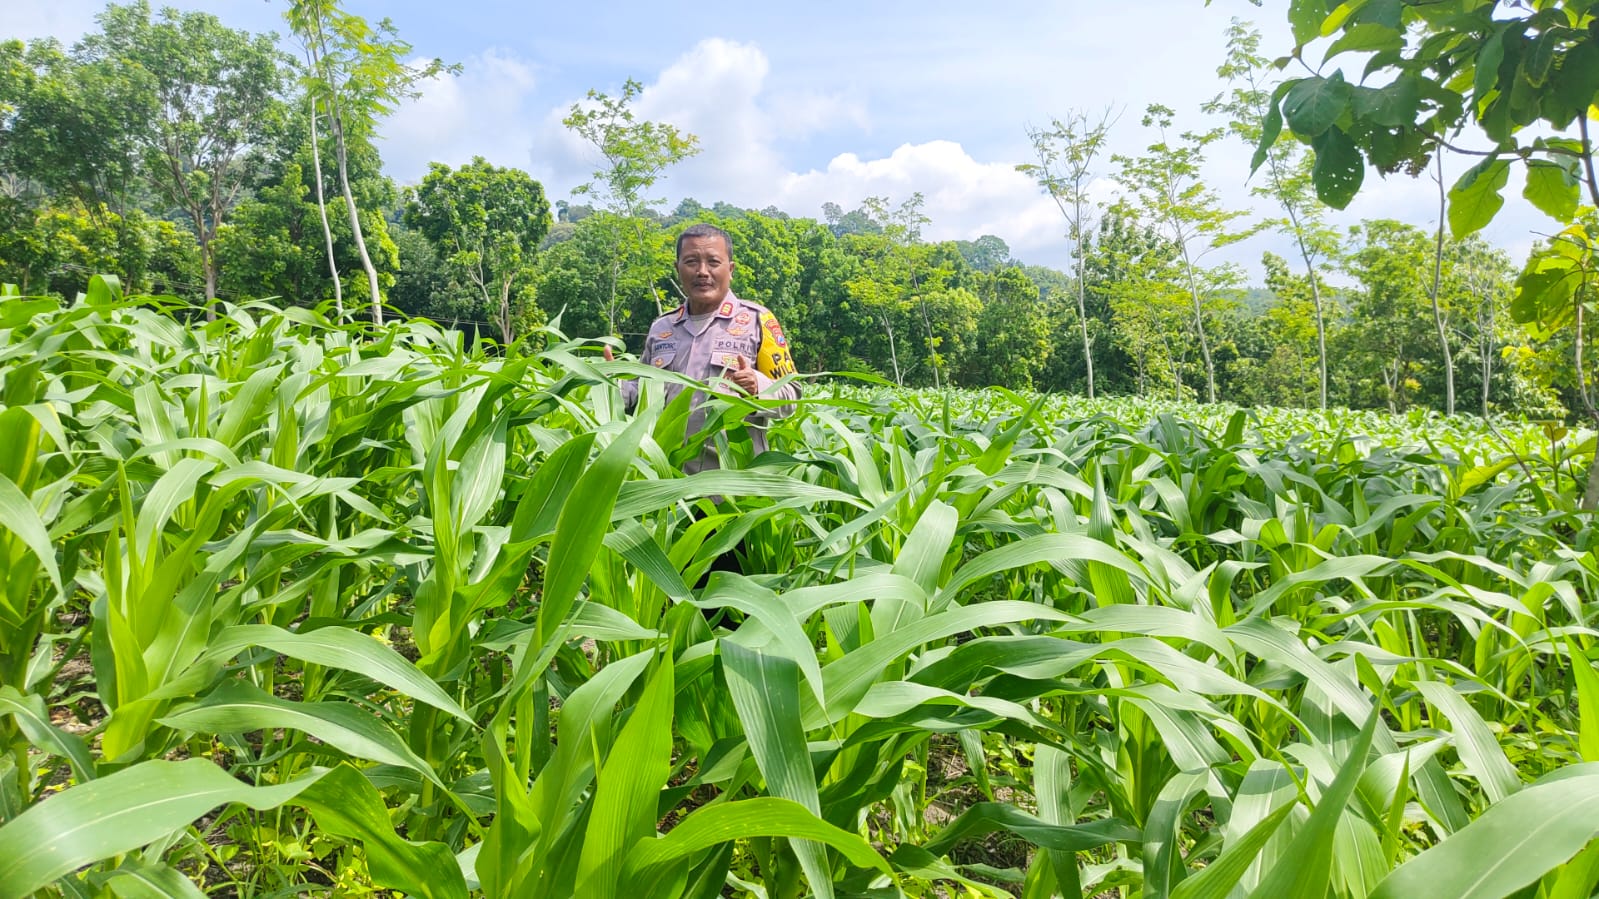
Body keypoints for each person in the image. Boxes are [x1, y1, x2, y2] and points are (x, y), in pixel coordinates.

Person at [604, 222, 800, 473]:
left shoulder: (758, 321)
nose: (702, 272)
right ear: (678, 269)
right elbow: (642, 393)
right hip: (665, 480)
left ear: (730, 270)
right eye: (691, 262)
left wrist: (758, 386)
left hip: (732, 486)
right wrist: (612, 383)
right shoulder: (662, 327)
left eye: (713, 262)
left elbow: (793, 398)